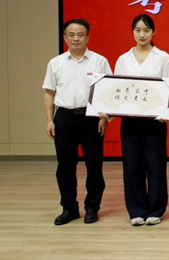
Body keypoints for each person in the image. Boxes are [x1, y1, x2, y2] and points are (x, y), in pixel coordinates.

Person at [42, 19, 112, 225]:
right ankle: (69, 208)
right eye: (71, 35)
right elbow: (49, 94)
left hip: (92, 118)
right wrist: (49, 120)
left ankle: (92, 207)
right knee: (65, 166)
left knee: (94, 165)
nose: (76, 38)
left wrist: (105, 116)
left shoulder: (99, 61)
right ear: (65, 38)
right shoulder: (55, 63)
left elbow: (109, 91)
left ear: (88, 37)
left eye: (80, 34)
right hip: (64, 117)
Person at [113, 14, 169, 226]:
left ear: (153, 32)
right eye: (138, 30)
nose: (142, 34)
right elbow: (116, 89)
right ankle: (136, 210)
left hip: (155, 119)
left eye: (146, 30)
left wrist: (166, 112)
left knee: (155, 166)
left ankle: (156, 210)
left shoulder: (162, 57)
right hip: (130, 119)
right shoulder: (123, 59)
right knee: (132, 166)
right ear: (132, 32)